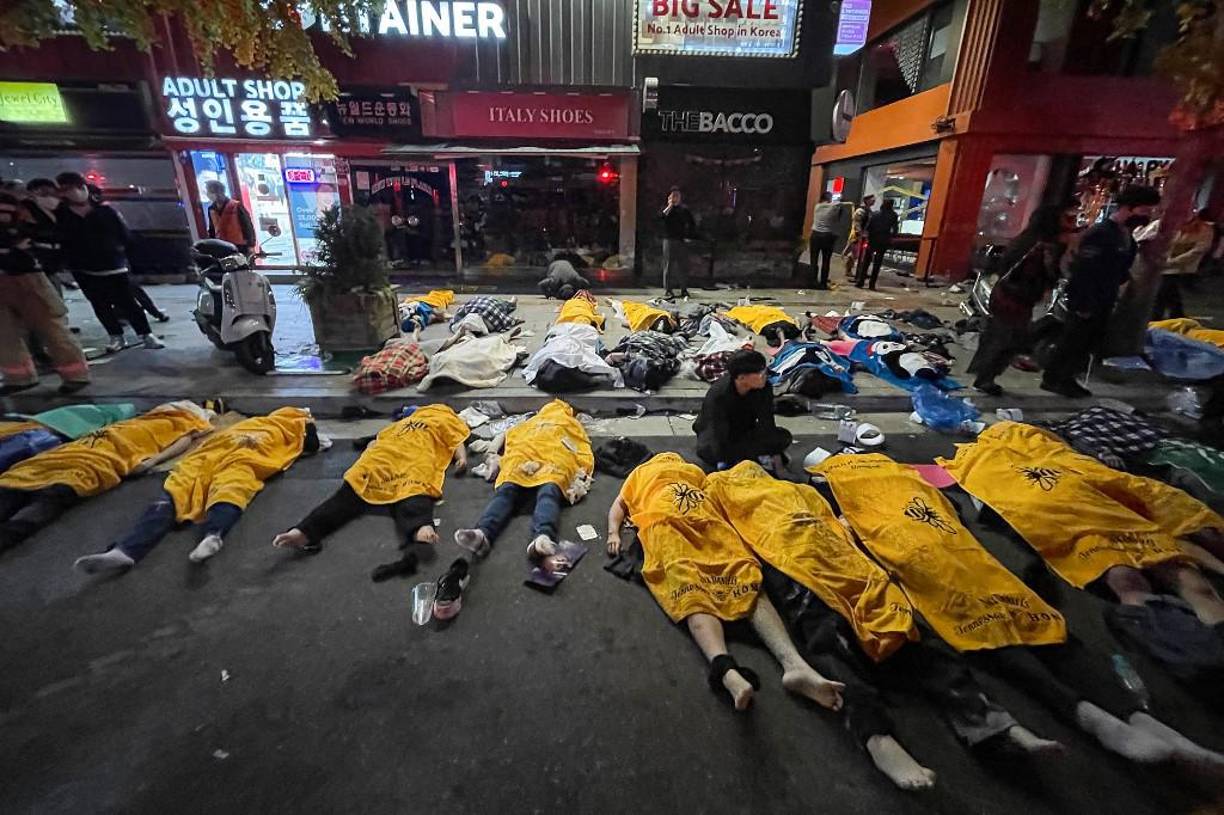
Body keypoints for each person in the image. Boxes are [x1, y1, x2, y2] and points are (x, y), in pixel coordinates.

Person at [818, 451, 1224, 769]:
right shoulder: (856, 482)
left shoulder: (846, 484)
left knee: (1036, 628)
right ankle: (1098, 717)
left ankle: (1134, 719)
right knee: (1015, 632)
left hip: (946, 553)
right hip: (934, 555)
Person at [705, 461, 1063, 790]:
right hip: (795, 569)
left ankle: (988, 719)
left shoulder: (796, 490)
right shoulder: (722, 494)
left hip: (842, 561)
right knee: (830, 639)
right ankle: (876, 736)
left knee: (903, 631)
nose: (751, 477)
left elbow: (831, 517)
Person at [606, 452, 846, 713]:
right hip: (666, 525)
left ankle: (795, 665)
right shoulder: (638, 475)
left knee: (747, 576)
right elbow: (618, 505)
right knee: (690, 588)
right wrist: (613, 533)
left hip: (708, 522)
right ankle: (725, 669)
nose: (666, 458)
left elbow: (718, 493)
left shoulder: (692, 471)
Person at [74, 408, 321, 572]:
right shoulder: (276, 422)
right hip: (219, 454)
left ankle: (210, 536)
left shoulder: (281, 423)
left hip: (244, 454)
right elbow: (310, 444)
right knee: (195, 489)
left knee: (225, 486)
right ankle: (125, 551)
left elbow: (308, 444)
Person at [272, 405, 469, 590]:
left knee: (414, 487)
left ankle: (420, 526)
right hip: (384, 456)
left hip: (416, 456)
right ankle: (305, 531)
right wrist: (370, 454)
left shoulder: (445, 421)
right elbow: (378, 440)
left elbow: (456, 440)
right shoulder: (401, 424)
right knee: (351, 491)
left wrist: (461, 458)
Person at [0, 402, 213, 551]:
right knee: (22, 486)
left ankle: (10, 533)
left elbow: (185, 439)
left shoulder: (182, 422)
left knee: (47, 496)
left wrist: (153, 460)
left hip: (92, 461)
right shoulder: (137, 419)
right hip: (72, 455)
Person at [451, 400, 593, 609]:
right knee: (515, 490)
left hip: (553, 456)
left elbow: (579, 447)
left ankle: (541, 538)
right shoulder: (532, 421)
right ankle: (483, 535)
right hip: (527, 454)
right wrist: (493, 454)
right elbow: (509, 436)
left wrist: (579, 474)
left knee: (545, 490)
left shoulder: (569, 423)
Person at [1040, 184, 1161, 398]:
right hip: (1087, 298)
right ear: (1128, 208)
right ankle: (1054, 379)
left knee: (1086, 341)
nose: (1148, 215)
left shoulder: (1126, 237)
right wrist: (1083, 303)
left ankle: (1066, 377)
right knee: (1072, 341)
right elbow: (1083, 271)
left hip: (1105, 298)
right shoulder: (1101, 234)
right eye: (1145, 210)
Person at [968, 204, 1074, 396]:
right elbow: (1044, 274)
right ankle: (985, 378)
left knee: (998, 338)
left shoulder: (1025, 240)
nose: (1068, 225)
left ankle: (984, 377)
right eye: (1065, 220)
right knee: (1005, 340)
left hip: (1007, 296)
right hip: (1015, 299)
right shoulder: (1041, 246)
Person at [54, 171, 164, 353]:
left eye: (78, 187)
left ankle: (146, 334)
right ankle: (116, 336)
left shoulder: (105, 211)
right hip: (84, 269)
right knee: (100, 304)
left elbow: (125, 236)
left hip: (114, 266)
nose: (75, 192)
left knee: (129, 303)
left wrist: (125, 256)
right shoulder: (62, 215)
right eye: (68, 189)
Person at [0, 191, 91, 395]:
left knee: (50, 326)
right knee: (4, 333)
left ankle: (75, 375)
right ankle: (19, 377)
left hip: (26, 276)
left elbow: (38, 233)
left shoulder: (14, 204)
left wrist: (14, 248)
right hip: (11, 274)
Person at [693, 349, 792, 471]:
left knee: (783, 436)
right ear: (741, 378)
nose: (765, 376)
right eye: (760, 373)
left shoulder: (764, 388)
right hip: (716, 434)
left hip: (745, 431)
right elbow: (716, 430)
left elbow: (766, 422)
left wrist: (777, 461)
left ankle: (746, 457)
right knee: (710, 450)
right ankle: (745, 458)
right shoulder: (719, 394)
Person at [1147, 207, 1215, 320]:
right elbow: (1146, 235)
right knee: (1169, 290)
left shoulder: (1204, 229)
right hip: (1162, 262)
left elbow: (1198, 250)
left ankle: (1157, 316)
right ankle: (1176, 314)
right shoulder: (1165, 223)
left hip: (1179, 266)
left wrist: (1172, 261)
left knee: (1164, 289)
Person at [23, 178, 66, 294]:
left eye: (52, 192)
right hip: (36, 261)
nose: (49, 196)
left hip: (54, 261)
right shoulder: (26, 210)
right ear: (32, 193)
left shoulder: (61, 210)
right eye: (43, 192)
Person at [660, 187, 697, 300]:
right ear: (669, 198)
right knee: (668, 265)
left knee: (683, 266)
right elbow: (661, 218)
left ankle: (684, 289)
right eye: (672, 196)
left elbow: (692, 224)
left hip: (681, 240)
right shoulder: (666, 209)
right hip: (669, 240)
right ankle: (668, 290)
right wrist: (670, 205)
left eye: (677, 196)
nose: (675, 198)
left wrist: (689, 236)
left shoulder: (684, 210)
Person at [204, 180, 256, 256]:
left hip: (239, 246)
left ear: (219, 192)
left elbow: (247, 226)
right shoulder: (211, 209)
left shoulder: (236, 205)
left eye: (210, 192)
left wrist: (251, 245)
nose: (208, 195)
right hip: (222, 246)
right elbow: (212, 229)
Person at [856, 199, 897, 290]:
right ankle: (872, 284)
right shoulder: (893, 215)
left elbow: (868, 226)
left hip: (872, 239)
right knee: (877, 263)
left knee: (866, 261)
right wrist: (891, 238)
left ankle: (860, 281)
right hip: (883, 241)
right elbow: (895, 229)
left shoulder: (875, 214)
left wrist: (868, 235)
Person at [808, 191, 845, 290]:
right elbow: (840, 206)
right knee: (826, 260)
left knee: (814, 260)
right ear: (828, 198)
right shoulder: (833, 206)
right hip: (827, 236)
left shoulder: (817, 206)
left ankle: (812, 281)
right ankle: (823, 283)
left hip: (815, 235)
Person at [842, 194, 874, 269]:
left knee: (859, 254)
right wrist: (860, 233)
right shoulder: (861, 210)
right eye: (872, 199)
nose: (873, 201)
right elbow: (857, 223)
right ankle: (848, 269)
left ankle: (856, 271)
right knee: (855, 254)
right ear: (866, 200)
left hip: (864, 235)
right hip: (857, 235)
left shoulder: (868, 210)